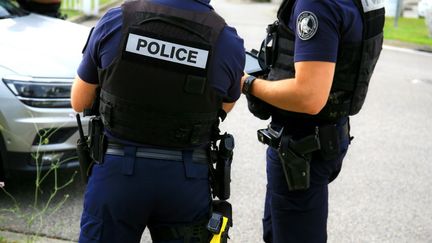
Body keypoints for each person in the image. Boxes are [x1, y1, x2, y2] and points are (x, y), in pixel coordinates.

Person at [70, 0, 244, 242]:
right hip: (186, 180)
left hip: (117, 174)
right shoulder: (226, 40)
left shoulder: (117, 20)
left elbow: (80, 101)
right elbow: (225, 105)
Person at [241, 0, 384, 242]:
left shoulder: (317, 3)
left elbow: (309, 96)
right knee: (279, 231)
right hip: (324, 134)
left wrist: (248, 84)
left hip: (301, 146)